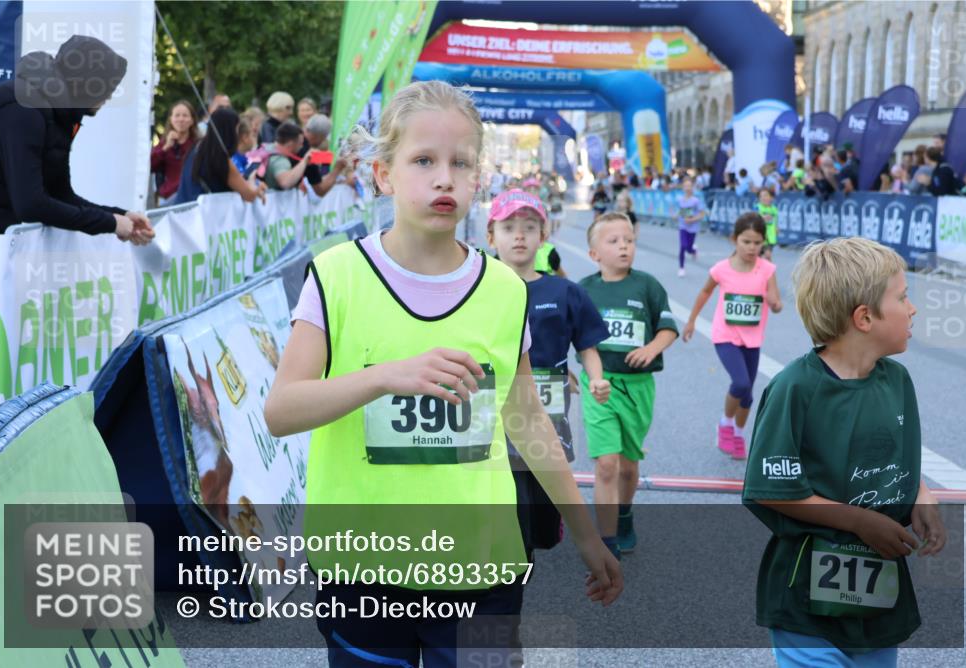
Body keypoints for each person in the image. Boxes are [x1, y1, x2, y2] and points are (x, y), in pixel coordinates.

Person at [263, 80, 621, 667]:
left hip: (481, 564)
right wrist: (385, 377)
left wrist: (586, 534)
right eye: (423, 160)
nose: (443, 178)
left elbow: (529, 421)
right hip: (364, 567)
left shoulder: (505, 290)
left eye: (460, 162)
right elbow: (282, 411)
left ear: (478, 176)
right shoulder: (336, 275)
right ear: (383, 174)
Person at [743, 236, 945, 665]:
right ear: (864, 317)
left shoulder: (898, 381)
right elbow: (770, 488)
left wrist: (921, 494)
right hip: (805, 597)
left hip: (876, 600)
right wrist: (859, 520)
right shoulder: (795, 388)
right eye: (903, 297)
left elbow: (893, 457)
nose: (913, 309)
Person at [0, 35, 155, 410]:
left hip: (6, 252)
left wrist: (120, 215)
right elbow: (31, 203)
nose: (109, 98)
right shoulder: (22, 106)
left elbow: (60, 194)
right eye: (107, 88)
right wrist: (110, 225)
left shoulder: (59, 112)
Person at [486, 188, 611, 556]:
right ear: (491, 236)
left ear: (544, 235)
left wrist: (596, 377)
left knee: (541, 515)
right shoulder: (477, 288)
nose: (520, 235)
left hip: (548, 415)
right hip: (494, 412)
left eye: (529, 227)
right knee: (512, 502)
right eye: (509, 227)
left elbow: (587, 346)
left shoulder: (566, 292)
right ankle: (511, 567)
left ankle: (546, 525)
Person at [580, 212, 679, 557]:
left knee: (628, 463)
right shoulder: (585, 290)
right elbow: (579, 340)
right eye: (613, 241)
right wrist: (590, 377)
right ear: (594, 254)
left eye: (629, 240)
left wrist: (652, 348)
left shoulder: (647, 285)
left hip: (638, 387)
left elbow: (667, 328)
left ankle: (624, 513)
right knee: (606, 463)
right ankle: (606, 541)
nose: (624, 246)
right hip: (601, 385)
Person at [681, 213, 782, 459]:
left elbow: (776, 302)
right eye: (746, 242)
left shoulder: (767, 270)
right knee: (741, 383)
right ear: (734, 240)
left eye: (757, 243)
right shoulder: (721, 269)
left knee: (748, 395)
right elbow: (705, 292)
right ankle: (725, 424)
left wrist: (774, 303)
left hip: (752, 339)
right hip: (725, 335)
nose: (752, 247)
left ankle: (738, 432)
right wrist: (692, 320)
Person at [174, 107, 267, 204]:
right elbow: (249, 195)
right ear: (229, 130)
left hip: (184, 212)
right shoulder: (220, 159)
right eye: (237, 129)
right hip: (203, 215)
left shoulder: (197, 147)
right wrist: (253, 183)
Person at [151, 100, 199, 206]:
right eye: (177, 115)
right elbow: (149, 166)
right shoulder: (164, 144)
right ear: (171, 119)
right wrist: (166, 147)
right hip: (168, 197)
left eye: (185, 116)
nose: (181, 119)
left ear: (192, 120)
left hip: (191, 197)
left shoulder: (198, 144)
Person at [261, 122, 312, 191]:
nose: (301, 147)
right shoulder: (280, 160)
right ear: (290, 145)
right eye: (300, 143)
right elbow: (285, 183)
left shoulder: (266, 148)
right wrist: (305, 161)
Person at [675, 177, 706, 277]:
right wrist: (676, 215)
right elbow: (683, 212)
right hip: (682, 226)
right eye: (685, 186)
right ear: (683, 188)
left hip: (693, 228)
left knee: (688, 248)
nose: (687, 188)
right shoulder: (681, 200)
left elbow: (702, 214)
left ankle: (693, 251)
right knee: (683, 246)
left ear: (692, 187)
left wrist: (692, 220)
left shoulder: (696, 201)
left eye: (689, 186)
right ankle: (681, 268)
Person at [756, 187, 779, 259]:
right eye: (761, 196)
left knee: (768, 255)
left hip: (770, 237)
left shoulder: (774, 209)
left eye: (766, 195)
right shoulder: (757, 207)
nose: (763, 198)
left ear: (771, 197)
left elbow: (775, 220)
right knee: (757, 257)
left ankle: (770, 270)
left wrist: (777, 227)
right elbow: (755, 218)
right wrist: (762, 218)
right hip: (759, 236)